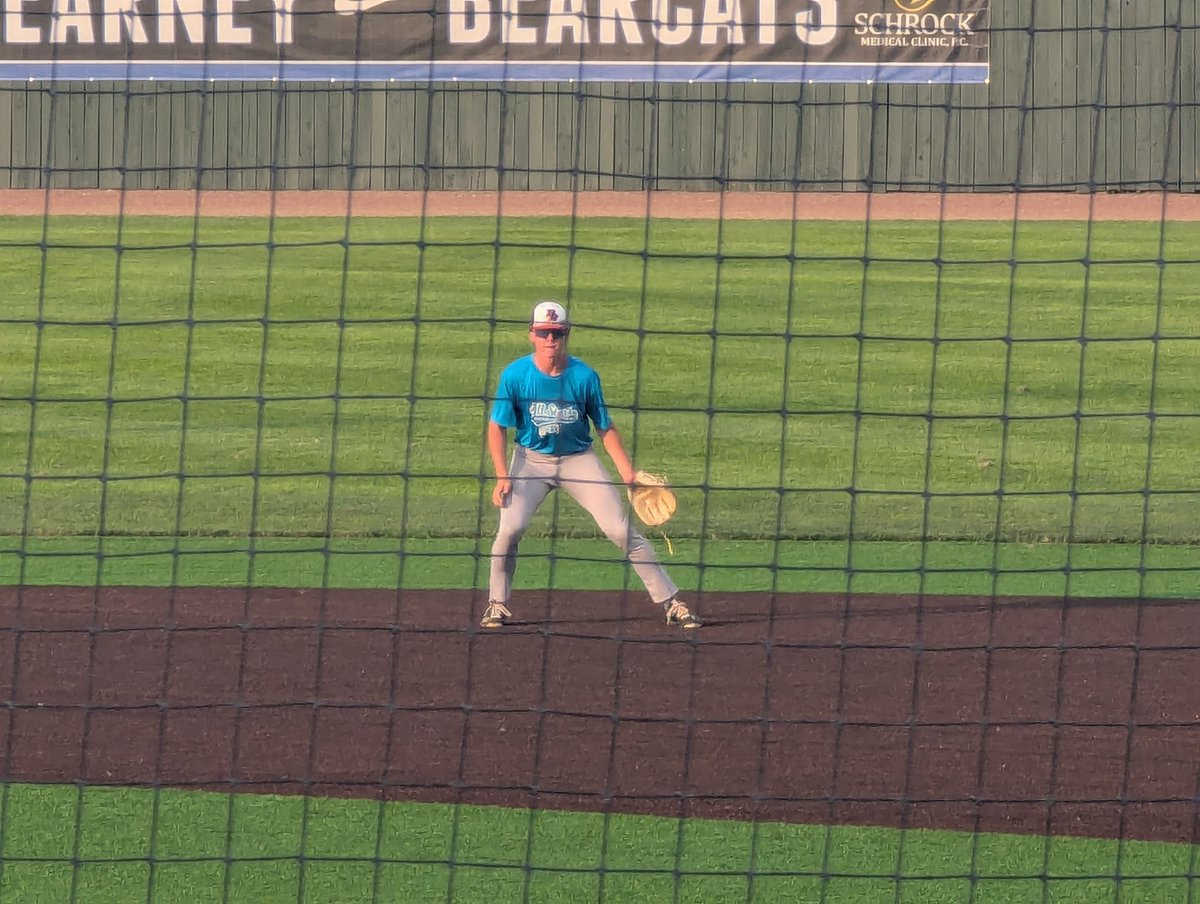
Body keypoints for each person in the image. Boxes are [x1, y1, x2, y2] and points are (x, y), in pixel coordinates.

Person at [481, 301, 700, 630]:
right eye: (544, 333)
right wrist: (502, 475)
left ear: (566, 334)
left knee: (620, 530)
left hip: (578, 460)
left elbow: (605, 427)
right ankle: (496, 605)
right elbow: (497, 427)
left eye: (556, 333)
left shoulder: (584, 376)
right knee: (509, 531)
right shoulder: (515, 376)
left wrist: (628, 473)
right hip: (530, 461)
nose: (550, 339)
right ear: (532, 335)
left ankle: (672, 602)